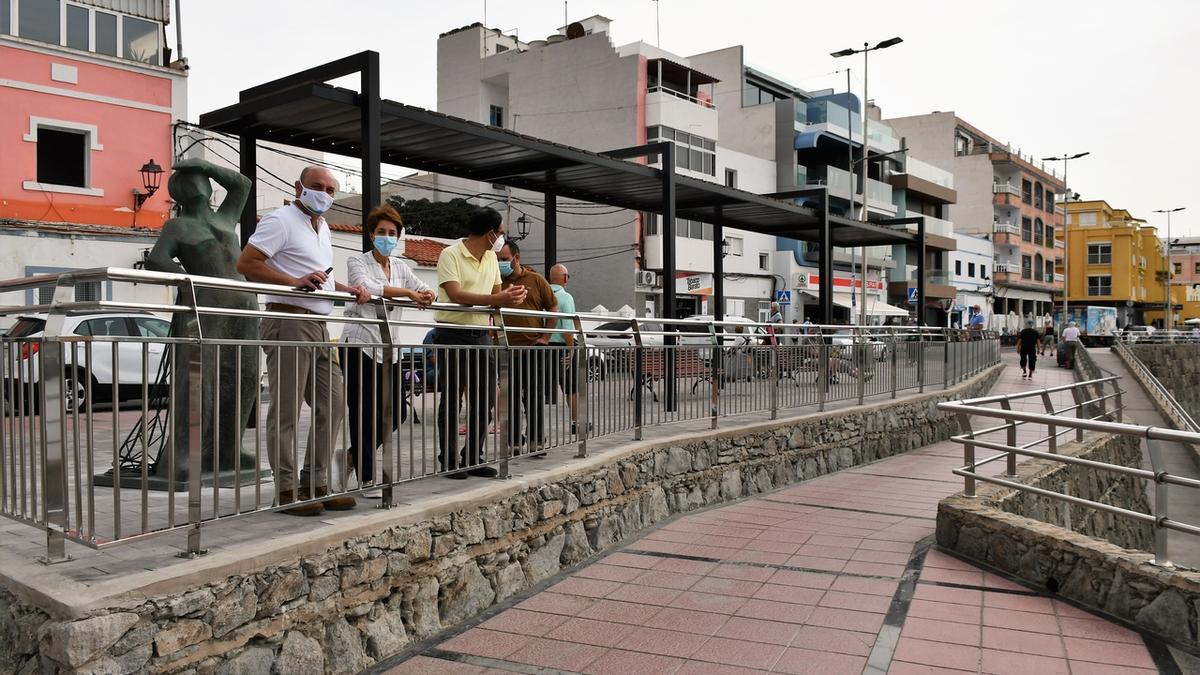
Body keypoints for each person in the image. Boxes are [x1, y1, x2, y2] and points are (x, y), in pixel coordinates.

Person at [237, 166, 369, 516]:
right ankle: (285, 489)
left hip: (319, 324)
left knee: (335, 402)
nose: (324, 193)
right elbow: (247, 263)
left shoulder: (322, 226)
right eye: (316, 186)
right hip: (289, 320)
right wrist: (293, 282)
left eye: (330, 189)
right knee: (287, 409)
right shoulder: (280, 220)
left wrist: (347, 289)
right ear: (298, 187)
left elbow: (318, 278)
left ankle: (316, 482)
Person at [340, 205, 435, 492]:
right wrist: (407, 293)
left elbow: (427, 290)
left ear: (398, 237)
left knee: (396, 411)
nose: (386, 237)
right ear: (371, 234)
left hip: (388, 347)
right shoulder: (357, 261)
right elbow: (366, 287)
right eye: (381, 232)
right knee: (363, 410)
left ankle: (353, 456)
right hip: (360, 344)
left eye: (392, 233)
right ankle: (366, 477)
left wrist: (428, 293)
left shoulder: (402, 267)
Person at [433, 207, 526, 479]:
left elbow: (496, 294)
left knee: (484, 399)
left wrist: (511, 297)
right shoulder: (450, 254)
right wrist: (499, 300)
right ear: (489, 233)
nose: (501, 238)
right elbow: (455, 294)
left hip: (481, 334)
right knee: (452, 399)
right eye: (500, 233)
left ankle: (473, 456)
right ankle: (449, 459)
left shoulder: (490, 259)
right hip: (452, 332)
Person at [497, 240, 558, 456]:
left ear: (516, 258)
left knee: (533, 396)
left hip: (533, 348)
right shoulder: (497, 282)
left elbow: (553, 306)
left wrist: (545, 337)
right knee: (510, 397)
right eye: (498, 259)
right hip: (507, 350)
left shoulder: (536, 280)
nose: (500, 263)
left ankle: (536, 441)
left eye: (504, 259)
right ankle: (513, 442)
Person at [548, 264, 585, 436]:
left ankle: (536, 428)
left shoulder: (543, 294)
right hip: (562, 347)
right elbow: (568, 328)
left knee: (539, 388)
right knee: (571, 387)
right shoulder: (565, 297)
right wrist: (571, 351)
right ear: (564, 278)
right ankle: (576, 423)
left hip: (542, 346)